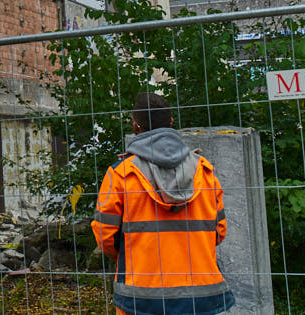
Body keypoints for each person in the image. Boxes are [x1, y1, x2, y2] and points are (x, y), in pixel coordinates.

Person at [91, 92, 235, 315]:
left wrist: (132, 254)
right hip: (200, 296)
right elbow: (219, 231)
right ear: (171, 123)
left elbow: (105, 236)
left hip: (140, 296)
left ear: (135, 126)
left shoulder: (121, 174)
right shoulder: (204, 171)